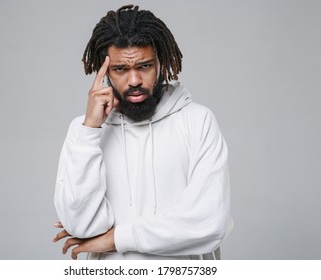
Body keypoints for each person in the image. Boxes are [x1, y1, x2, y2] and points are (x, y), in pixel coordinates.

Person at [52, 5, 233, 260]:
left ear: (161, 63)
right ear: (104, 72)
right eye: (121, 69)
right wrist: (90, 131)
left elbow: (209, 223)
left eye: (144, 66)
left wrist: (113, 239)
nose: (134, 80)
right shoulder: (84, 132)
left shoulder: (197, 121)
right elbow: (81, 225)